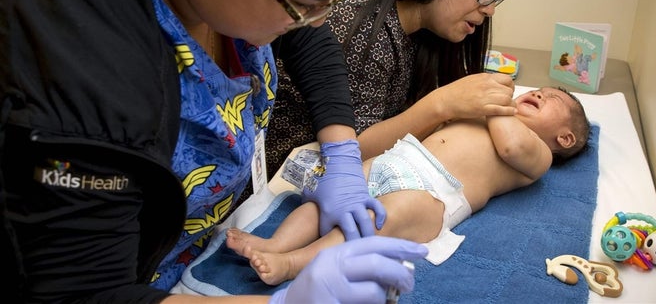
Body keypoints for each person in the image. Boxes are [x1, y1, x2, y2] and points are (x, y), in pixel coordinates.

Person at [0, 0, 428, 302]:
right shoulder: (78, 70)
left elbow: (307, 34)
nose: (320, 21)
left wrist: (341, 151)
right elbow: (83, 292)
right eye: (305, 6)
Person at [227, 86, 591, 285]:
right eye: (541, 90)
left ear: (564, 138)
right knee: (329, 196)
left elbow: (510, 145)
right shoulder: (487, 115)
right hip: (400, 159)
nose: (540, 93)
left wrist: (496, 106)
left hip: (435, 194)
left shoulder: (538, 155)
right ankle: (275, 243)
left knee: (379, 221)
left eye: (552, 100)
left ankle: (293, 263)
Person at [266, 0, 521, 177]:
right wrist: (441, 105)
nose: (490, 8)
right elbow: (348, 150)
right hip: (284, 177)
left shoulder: (418, 32)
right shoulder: (360, 21)